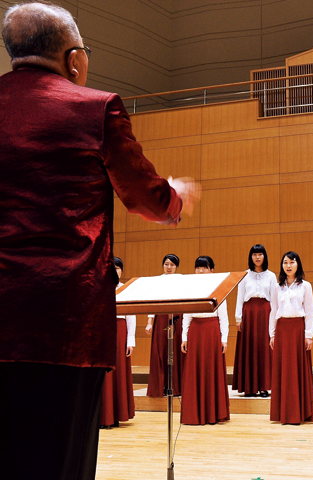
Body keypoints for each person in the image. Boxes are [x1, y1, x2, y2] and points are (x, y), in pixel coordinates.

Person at [0, 3, 199, 479]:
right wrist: (174, 200)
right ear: (73, 59)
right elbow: (144, 194)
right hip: (65, 322)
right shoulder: (95, 108)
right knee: (59, 459)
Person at [180, 256, 230, 425]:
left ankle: (212, 412)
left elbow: (223, 317)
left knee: (211, 371)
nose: (200, 270)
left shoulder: (219, 288)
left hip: (212, 331)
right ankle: (195, 413)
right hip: (195, 331)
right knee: (195, 371)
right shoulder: (189, 288)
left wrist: (224, 339)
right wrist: (184, 337)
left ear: (211, 270)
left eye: (204, 267)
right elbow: (187, 314)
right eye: (198, 267)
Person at [269, 251, 313, 425]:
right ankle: (283, 412)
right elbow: (273, 311)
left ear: (298, 265)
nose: (288, 266)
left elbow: (310, 312)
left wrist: (308, 335)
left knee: (298, 370)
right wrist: (272, 334)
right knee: (283, 370)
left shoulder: (305, 286)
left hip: (298, 330)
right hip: (282, 330)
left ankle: (300, 411)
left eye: (292, 262)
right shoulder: (277, 287)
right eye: (285, 262)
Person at [233, 244, 277, 397]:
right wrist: (238, 318)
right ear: (251, 257)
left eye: (260, 254)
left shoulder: (271, 276)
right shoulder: (244, 275)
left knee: (263, 347)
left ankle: (264, 387)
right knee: (249, 347)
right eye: (254, 254)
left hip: (265, 312)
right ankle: (249, 387)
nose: (257, 257)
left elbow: (274, 298)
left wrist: (274, 318)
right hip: (248, 312)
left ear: (264, 256)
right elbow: (240, 298)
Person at [99, 257, 136, 429]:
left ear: (122, 271)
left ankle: (117, 415)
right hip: (102, 332)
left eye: (118, 268)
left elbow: (131, 317)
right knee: (103, 375)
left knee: (118, 373)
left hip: (120, 331)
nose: (115, 271)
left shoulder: (127, 289)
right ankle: (103, 416)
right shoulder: (98, 287)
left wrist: (130, 341)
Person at [146, 254, 184, 397]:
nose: (169, 267)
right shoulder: (157, 281)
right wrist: (150, 322)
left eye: (172, 265)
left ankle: (176, 386)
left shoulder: (181, 279)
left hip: (177, 317)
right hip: (160, 317)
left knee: (175, 350)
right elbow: (151, 303)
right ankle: (160, 386)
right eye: (166, 264)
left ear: (177, 267)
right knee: (160, 350)